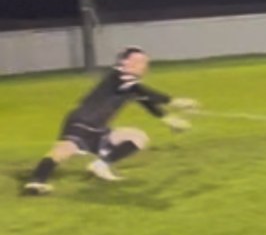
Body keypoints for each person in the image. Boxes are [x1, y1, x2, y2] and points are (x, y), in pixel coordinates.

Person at [23, 46, 197, 195]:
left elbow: (144, 100)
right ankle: (36, 182)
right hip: (82, 122)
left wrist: (167, 118)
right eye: (139, 61)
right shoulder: (119, 75)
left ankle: (101, 165)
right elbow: (143, 92)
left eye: (145, 62)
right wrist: (174, 101)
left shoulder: (128, 84)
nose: (143, 66)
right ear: (124, 62)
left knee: (138, 137)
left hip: (99, 129)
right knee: (63, 151)